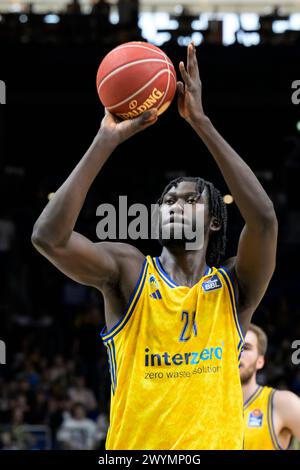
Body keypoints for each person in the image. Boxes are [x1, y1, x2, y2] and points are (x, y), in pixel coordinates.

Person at [32, 42, 278, 449]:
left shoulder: (235, 288)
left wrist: (201, 122)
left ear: (214, 221)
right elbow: (48, 238)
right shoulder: (129, 271)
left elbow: (265, 220)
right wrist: (105, 141)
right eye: (166, 201)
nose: (174, 205)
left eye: (190, 200)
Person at [241, 323, 300, 450]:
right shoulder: (207, 405)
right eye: (233, 346)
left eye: (245, 347)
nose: (238, 353)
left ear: (260, 361)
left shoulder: (282, 403)